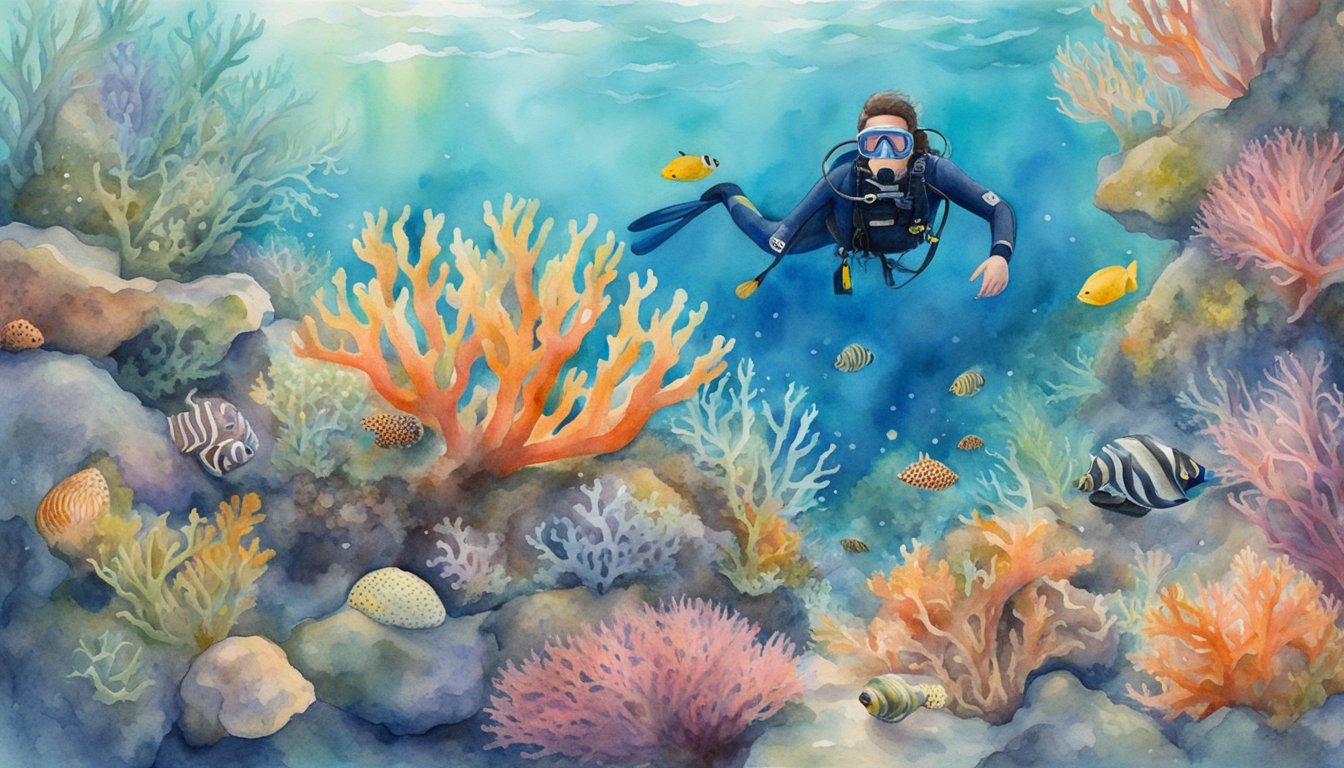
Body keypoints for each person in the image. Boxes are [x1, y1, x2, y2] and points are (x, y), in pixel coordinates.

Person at [628, 91, 1016, 298]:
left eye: (894, 142)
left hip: (889, 237)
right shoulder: (846, 176)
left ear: (912, 144)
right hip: (841, 231)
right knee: (773, 242)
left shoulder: (933, 171)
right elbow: (789, 229)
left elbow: (998, 209)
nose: (883, 153)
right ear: (860, 144)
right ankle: (730, 194)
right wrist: (780, 239)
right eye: (872, 142)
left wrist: (1000, 256)